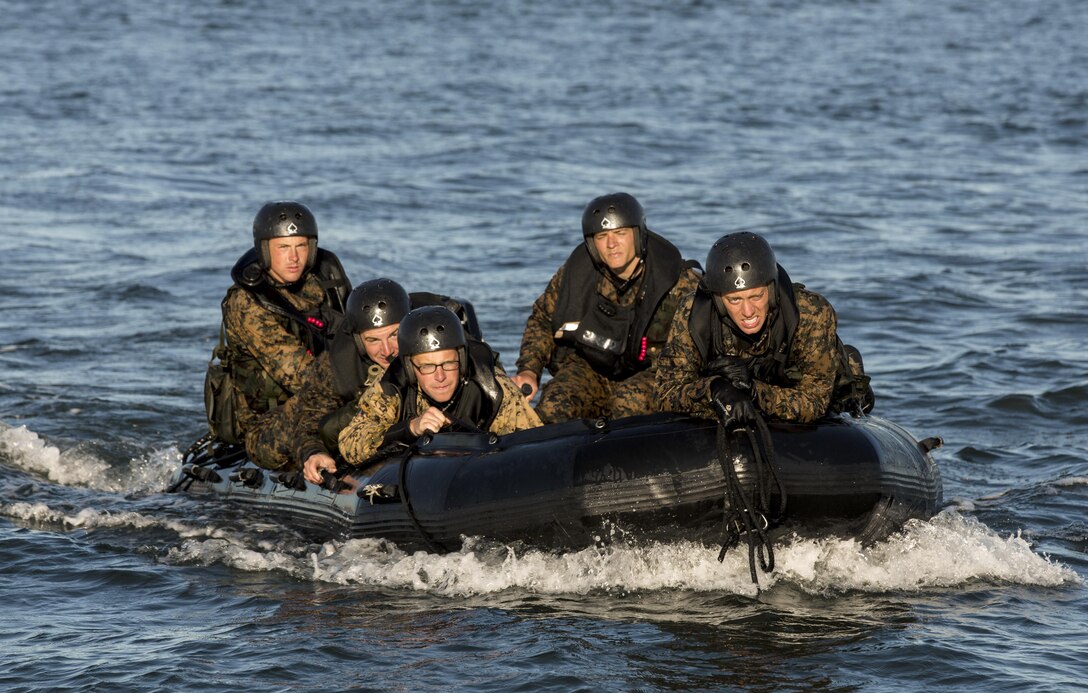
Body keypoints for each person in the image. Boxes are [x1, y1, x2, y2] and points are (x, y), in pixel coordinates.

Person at [511, 192, 702, 423]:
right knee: (555, 402)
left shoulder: (676, 281)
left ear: (638, 235)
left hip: (655, 372)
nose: (611, 244)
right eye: (602, 236)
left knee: (628, 401)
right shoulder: (576, 275)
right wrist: (529, 371)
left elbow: (703, 339)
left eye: (620, 233)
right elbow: (542, 319)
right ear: (592, 244)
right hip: (593, 367)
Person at [653, 231, 874, 428]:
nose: (748, 311)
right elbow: (665, 394)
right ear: (718, 301)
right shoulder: (693, 314)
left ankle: (849, 364)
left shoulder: (811, 313)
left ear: (772, 290)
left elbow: (814, 403)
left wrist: (753, 392)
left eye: (756, 296)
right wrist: (714, 390)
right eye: (735, 300)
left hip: (794, 378)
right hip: (738, 385)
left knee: (844, 396)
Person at [243, 278, 409, 480]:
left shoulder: (433, 339)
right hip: (289, 422)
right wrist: (313, 452)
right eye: (373, 340)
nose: (387, 350)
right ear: (358, 339)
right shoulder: (339, 363)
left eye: (394, 335)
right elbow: (310, 417)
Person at [338, 306, 542, 465]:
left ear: (461, 360)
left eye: (448, 363)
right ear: (411, 368)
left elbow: (534, 447)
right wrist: (410, 428)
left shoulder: (493, 388)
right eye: (427, 366)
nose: (440, 376)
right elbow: (351, 444)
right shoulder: (393, 387)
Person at [222, 201, 351, 445]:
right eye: (283, 247)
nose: (294, 258)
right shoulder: (246, 303)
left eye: (301, 246)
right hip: (266, 424)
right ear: (265, 250)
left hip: (329, 395)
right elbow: (303, 377)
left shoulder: (322, 282)